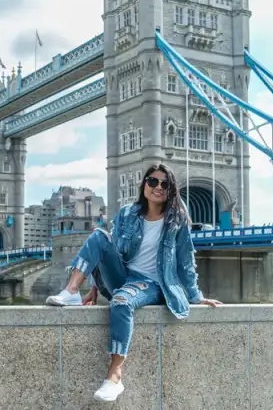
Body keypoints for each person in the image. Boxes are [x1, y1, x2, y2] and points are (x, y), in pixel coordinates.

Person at [45, 163, 222, 402]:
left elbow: (185, 261)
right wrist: (95, 288)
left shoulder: (177, 221)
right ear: (144, 184)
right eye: (152, 181)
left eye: (164, 184)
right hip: (123, 276)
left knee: (120, 303)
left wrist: (196, 296)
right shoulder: (128, 213)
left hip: (153, 283)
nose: (158, 187)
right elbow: (111, 251)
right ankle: (72, 290)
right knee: (99, 236)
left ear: (171, 190)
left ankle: (115, 375)